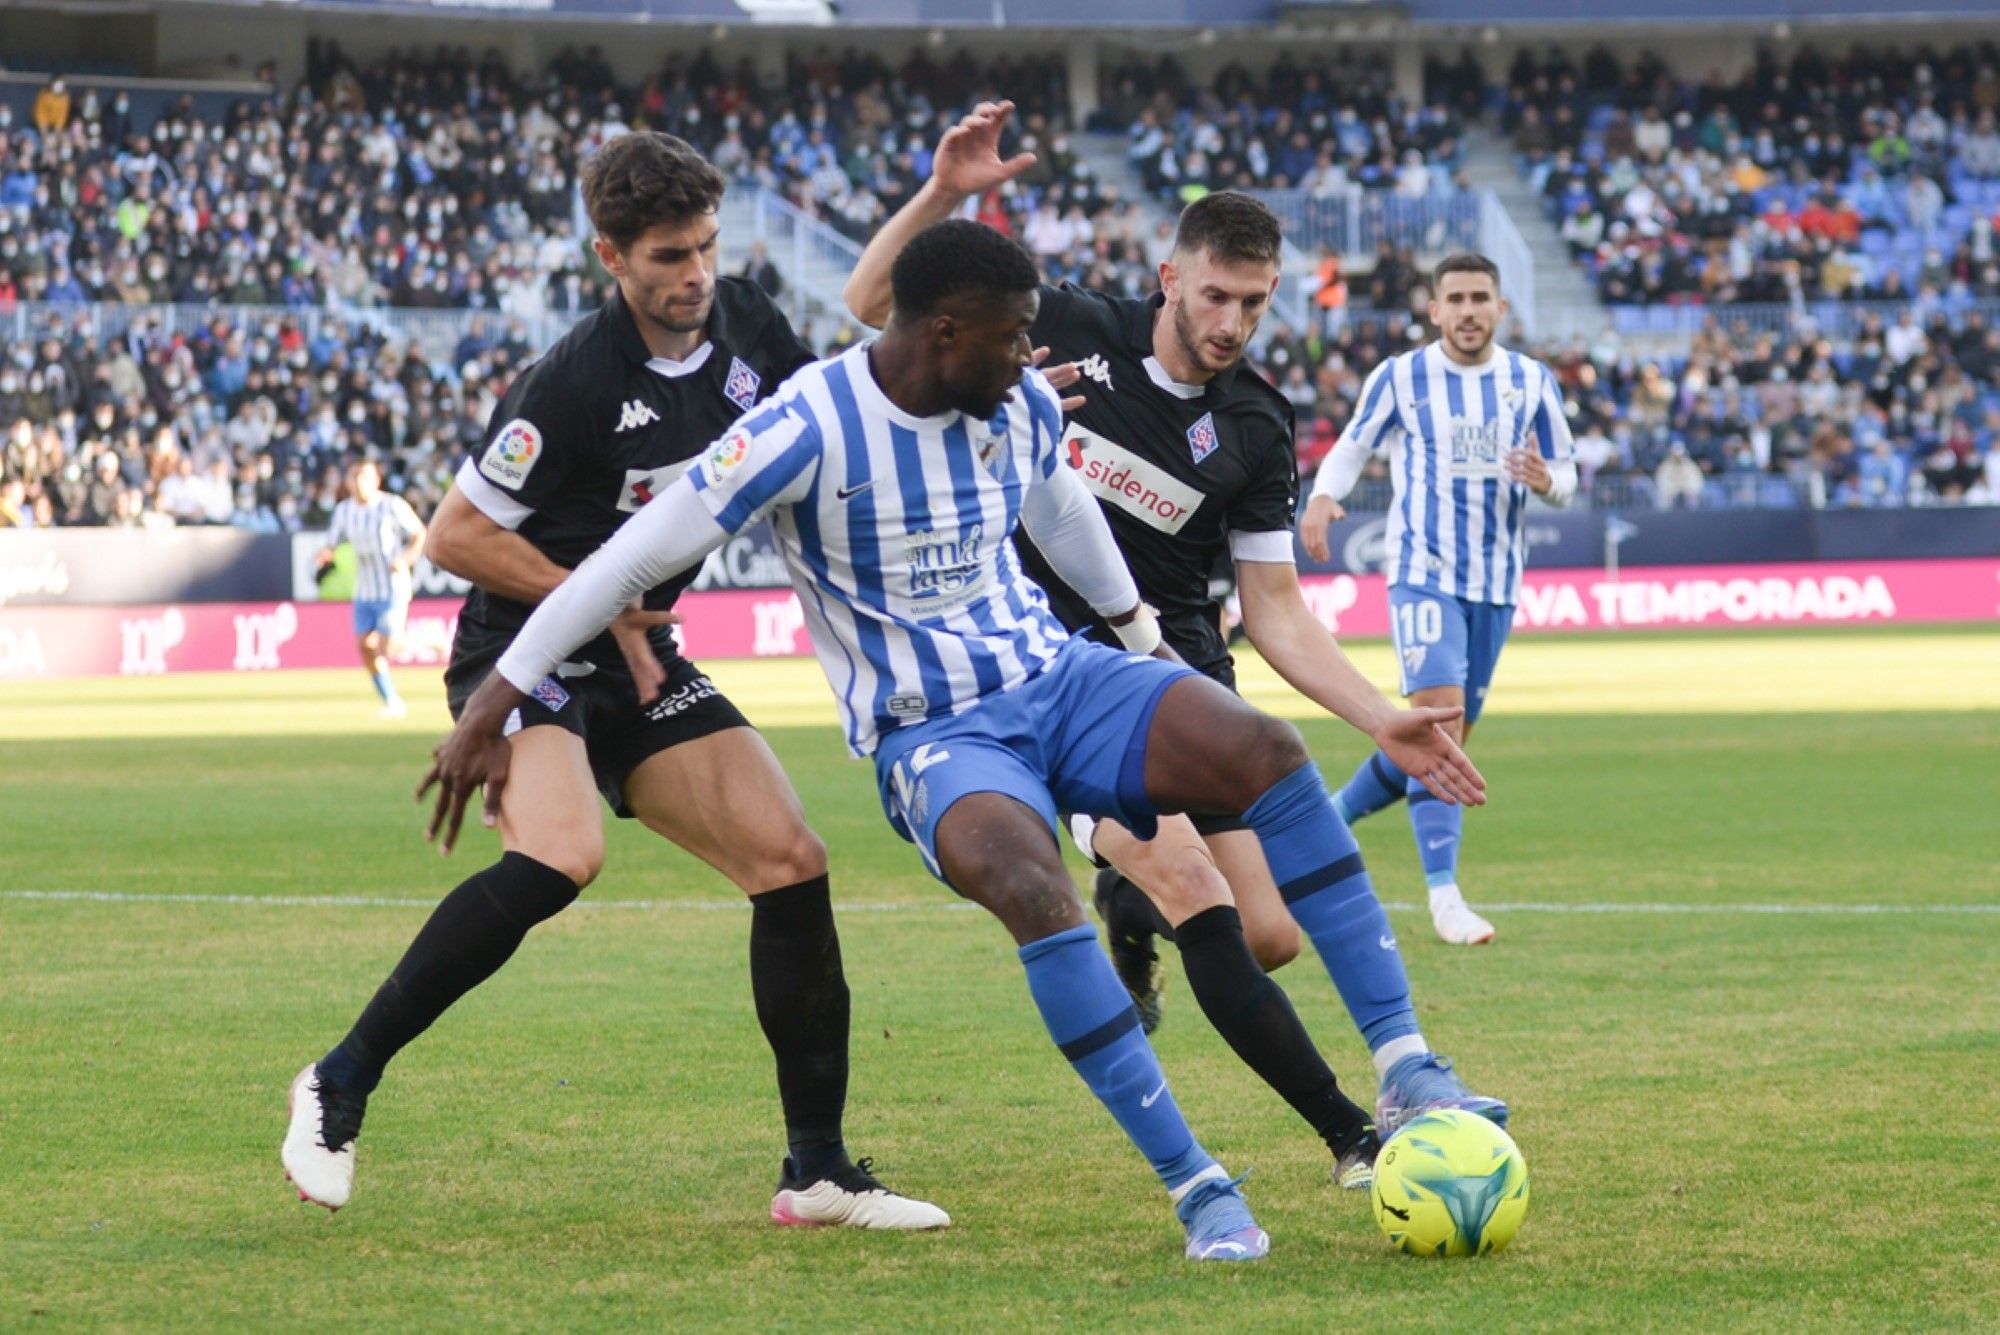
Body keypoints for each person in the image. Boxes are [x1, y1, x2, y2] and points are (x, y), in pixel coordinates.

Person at [423, 218, 1499, 1261]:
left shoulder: (1017, 402)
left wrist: (1136, 640)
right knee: (1031, 885)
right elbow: (622, 565)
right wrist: (493, 700)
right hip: (932, 732)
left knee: (1261, 748)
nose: (1033, 355)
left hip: (1060, 677)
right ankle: (1199, 1189)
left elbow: (1061, 511)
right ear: (944, 332)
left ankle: (1404, 1063)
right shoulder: (802, 427)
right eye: (1013, 334)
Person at [282, 131, 947, 1234]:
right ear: (610, 258)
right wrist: (606, 602)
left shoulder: (749, 329)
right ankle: (338, 1083)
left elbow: (841, 407)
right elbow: (453, 537)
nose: (693, 276)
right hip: (524, 649)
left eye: (703, 249)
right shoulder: (575, 379)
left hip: (638, 653)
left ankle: (816, 1171)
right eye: (666, 258)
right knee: (562, 854)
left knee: (790, 861)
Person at [842, 103, 1505, 1192]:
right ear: (1168, 278)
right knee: (1200, 888)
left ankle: (1129, 904)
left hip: (1176, 668)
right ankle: (1352, 1136)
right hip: (1046, 680)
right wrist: (946, 198)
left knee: (1269, 935)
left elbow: (1275, 607)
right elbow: (873, 305)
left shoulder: (1252, 423)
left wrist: (1374, 713)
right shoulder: (1057, 330)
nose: (1231, 321)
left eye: (1251, 301)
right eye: (1213, 296)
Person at [1300, 251, 1578, 946]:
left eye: (1480, 297)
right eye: (1454, 298)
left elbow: (1569, 473)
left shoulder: (1529, 380)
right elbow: (1353, 444)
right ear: (1434, 309)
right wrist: (1324, 495)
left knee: (1439, 746)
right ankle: (1445, 896)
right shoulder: (1402, 376)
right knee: (1436, 727)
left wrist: (1548, 480)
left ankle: (1323, 821)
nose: (1467, 310)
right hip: (1423, 569)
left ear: (1500, 308)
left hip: (1496, 583)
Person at [316, 458, 426, 717]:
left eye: (364, 477)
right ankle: (391, 700)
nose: (358, 483)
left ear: (376, 480)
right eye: (353, 477)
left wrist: (405, 559)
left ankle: (429, 640)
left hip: (391, 586)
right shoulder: (344, 510)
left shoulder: (391, 505)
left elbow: (419, 534)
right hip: (364, 589)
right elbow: (332, 542)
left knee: (388, 648)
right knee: (365, 645)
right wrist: (325, 553)